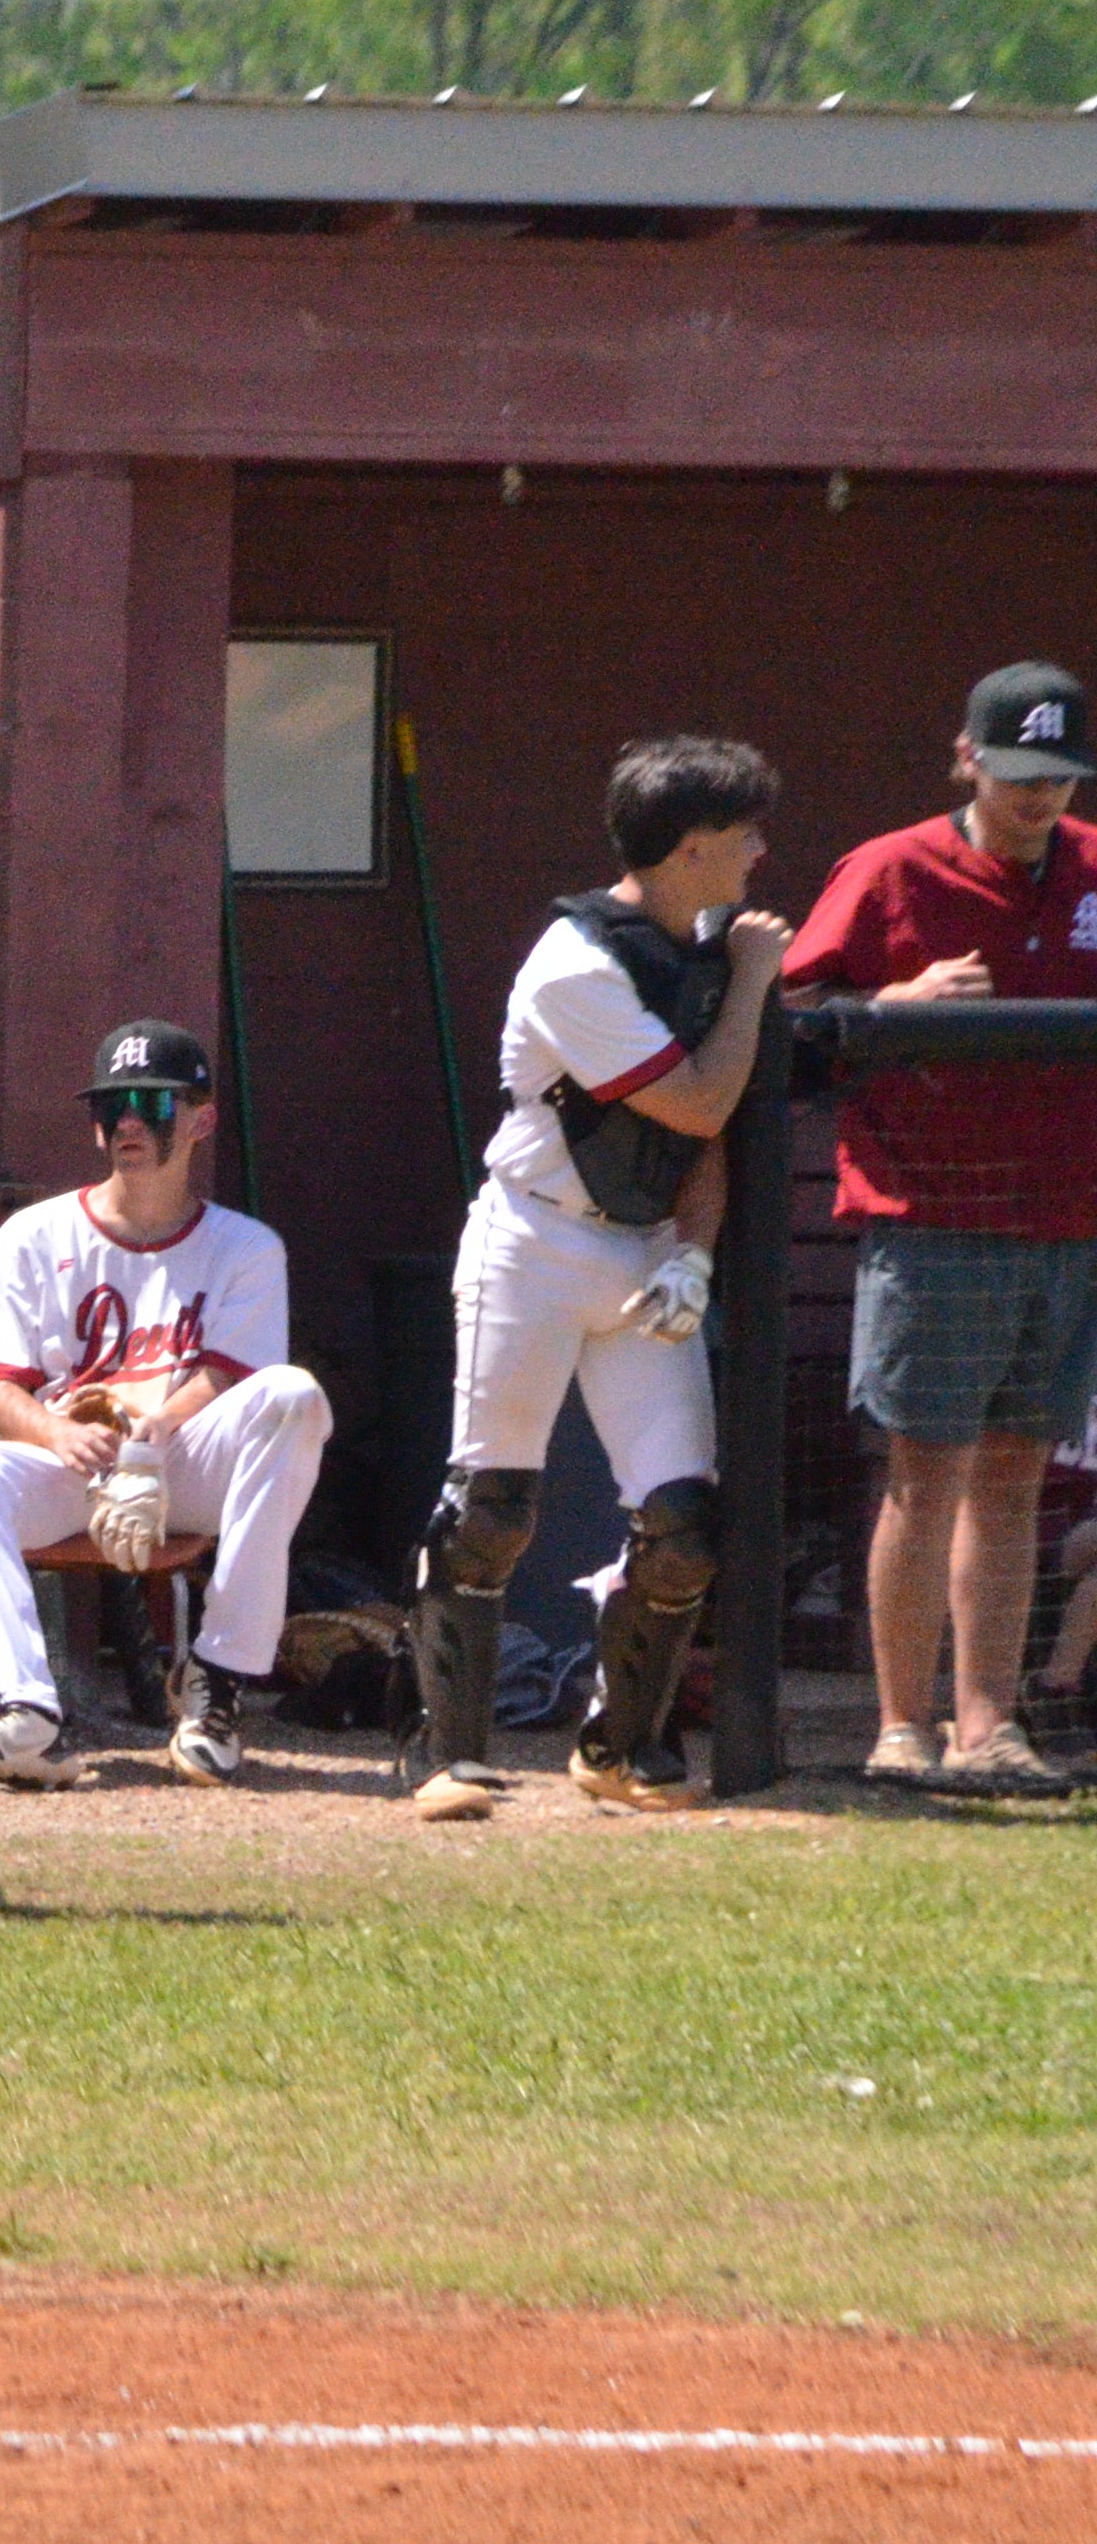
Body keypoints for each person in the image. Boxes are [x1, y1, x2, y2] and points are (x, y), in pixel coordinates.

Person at [406, 737, 789, 1823]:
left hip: (641, 1246)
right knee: (490, 1509)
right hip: (531, 1241)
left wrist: (694, 1253)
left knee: (682, 1527)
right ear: (688, 848)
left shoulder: (698, 946)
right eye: (741, 834)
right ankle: (447, 1755)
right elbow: (702, 1101)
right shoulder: (575, 963)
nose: (758, 851)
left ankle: (616, 1746)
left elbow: (699, 1151)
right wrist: (753, 980)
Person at [777, 661, 1097, 1791]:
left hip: (1068, 1222)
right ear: (964, 759)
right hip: (932, 1219)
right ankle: (898, 1728)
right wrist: (890, 1009)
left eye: (1055, 779)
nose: (1034, 800)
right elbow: (783, 1013)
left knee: (1013, 1476)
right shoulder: (887, 868)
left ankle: (987, 1728)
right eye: (1014, 776)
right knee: (922, 1473)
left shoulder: (1096, 865)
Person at [0, 1019, 331, 1788]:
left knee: (292, 1396)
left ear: (202, 1119)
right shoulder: (31, 1236)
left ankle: (217, 1681)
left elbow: (230, 1379)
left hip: (184, 1466)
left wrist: (153, 1435)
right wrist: (53, 1430)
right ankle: (22, 1714)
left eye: (151, 1101)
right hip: (72, 1464)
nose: (127, 1122)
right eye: (111, 1105)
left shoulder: (246, 1247)